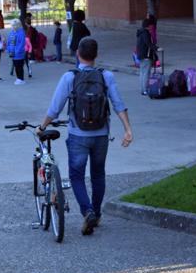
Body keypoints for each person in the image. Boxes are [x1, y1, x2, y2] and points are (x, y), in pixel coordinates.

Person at [38, 38, 133, 236]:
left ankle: (87, 211)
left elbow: (55, 109)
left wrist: (42, 126)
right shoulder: (106, 76)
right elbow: (118, 104)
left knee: (76, 176)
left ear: (77, 54)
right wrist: (127, 129)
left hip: (78, 135)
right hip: (101, 135)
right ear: (96, 55)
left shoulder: (69, 77)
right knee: (98, 174)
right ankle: (96, 213)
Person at [136, 19, 158, 95]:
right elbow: (148, 44)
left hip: (141, 55)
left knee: (142, 73)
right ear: (148, 26)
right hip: (146, 55)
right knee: (146, 73)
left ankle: (143, 89)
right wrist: (157, 48)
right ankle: (145, 90)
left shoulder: (140, 33)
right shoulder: (146, 33)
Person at [6, 19, 26, 85]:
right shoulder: (11, 32)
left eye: (15, 25)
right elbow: (8, 42)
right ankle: (18, 78)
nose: (13, 26)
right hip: (12, 53)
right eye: (12, 25)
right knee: (16, 66)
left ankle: (21, 79)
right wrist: (8, 49)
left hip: (19, 54)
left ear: (18, 25)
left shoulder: (21, 33)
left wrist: (17, 51)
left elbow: (22, 43)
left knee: (19, 66)